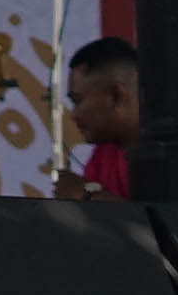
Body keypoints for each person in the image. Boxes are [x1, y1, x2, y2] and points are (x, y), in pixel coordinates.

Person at [53, 38, 137, 199]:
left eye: (78, 101)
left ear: (116, 96)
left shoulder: (171, 149)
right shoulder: (103, 155)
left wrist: (84, 193)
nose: (73, 115)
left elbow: (164, 214)